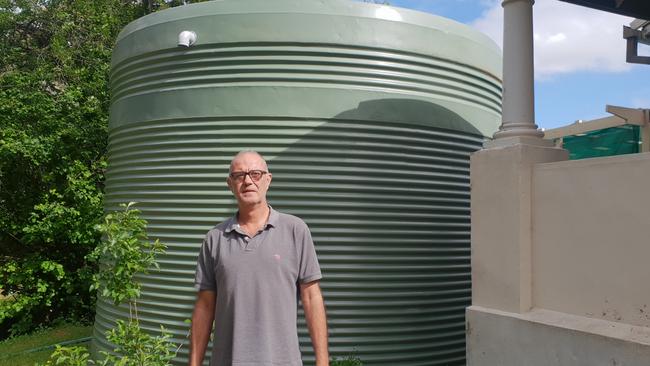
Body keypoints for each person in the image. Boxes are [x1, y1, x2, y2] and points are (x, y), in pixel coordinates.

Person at [189, 150, 329, 366]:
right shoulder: (214, 239)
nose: (247, 181)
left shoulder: (295, 230)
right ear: (230, 184)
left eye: (255, 174)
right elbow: (205, 307)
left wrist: (323, 361)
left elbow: (312, 297)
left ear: (267, 179)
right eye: (239, 175)